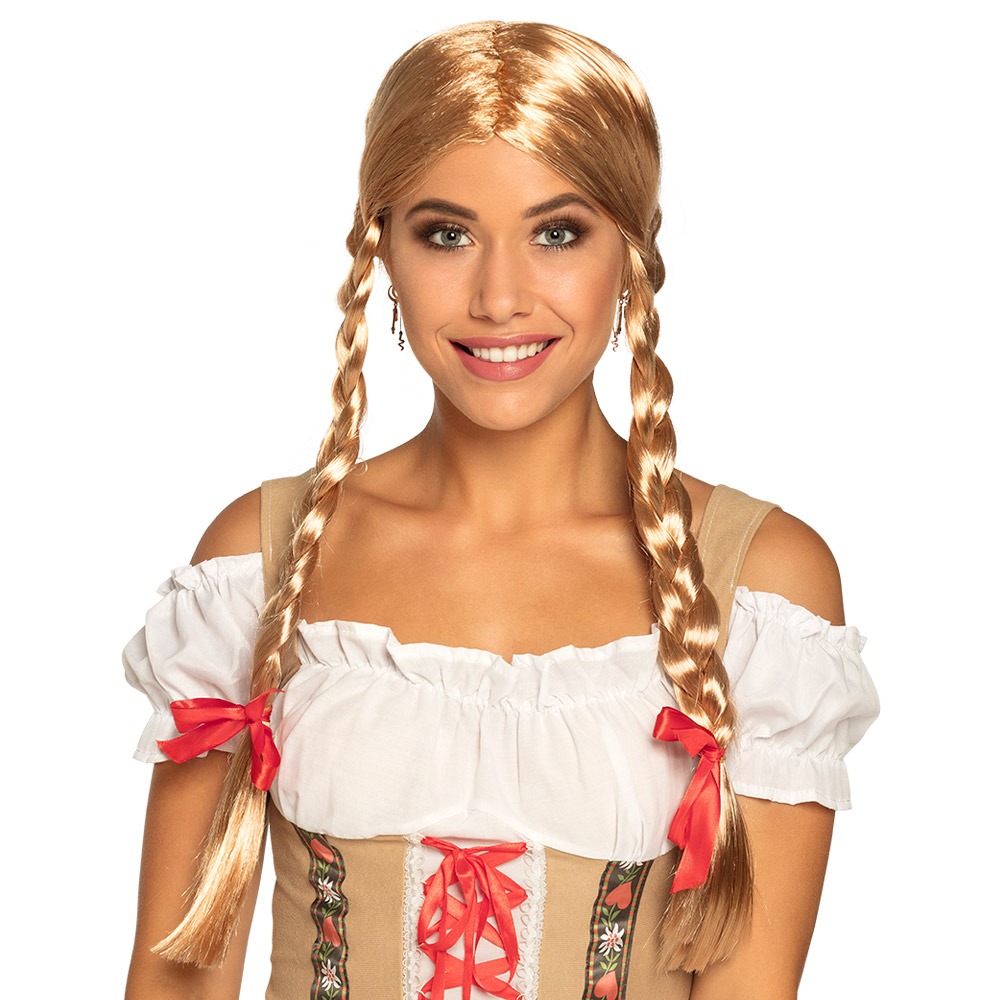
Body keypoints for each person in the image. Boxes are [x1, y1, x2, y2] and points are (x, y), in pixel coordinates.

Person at [124, 20, 878, 1000]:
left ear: (632, 255)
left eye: (556, 233)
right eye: (447, 235)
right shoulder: (258, 566)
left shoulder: (758, 588)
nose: (499, 297)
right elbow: (175, 979)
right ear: (382, 253)